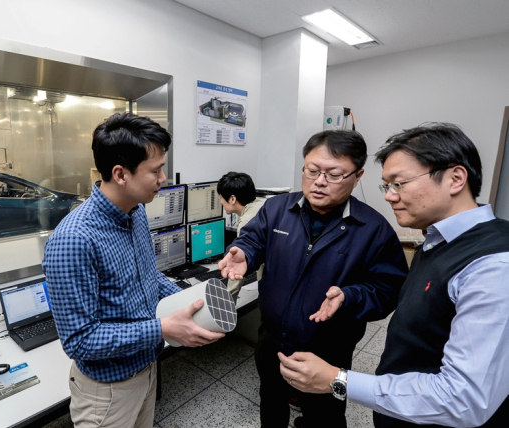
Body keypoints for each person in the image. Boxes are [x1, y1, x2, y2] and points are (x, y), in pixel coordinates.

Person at [278, 122, 509, 427]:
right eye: (386, 185)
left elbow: (463, 399)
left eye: (399, 183)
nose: (389, 196)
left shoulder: (493, 266)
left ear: (455, 178)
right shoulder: (438, 239)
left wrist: (337, 380)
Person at [42, 113, 224, 428]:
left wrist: (194, 301)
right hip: (108, 391)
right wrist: (164, 328)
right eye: (155, 170)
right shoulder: (73, 240)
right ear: (120, 174)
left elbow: (147, 277)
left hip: (147, 368)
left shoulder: (136, 212)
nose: (164, 178)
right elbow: (81, 341)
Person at [218, 130, 408, 428]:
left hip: (328, 350)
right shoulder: (277, 209)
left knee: (326, 417)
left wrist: (351, 296)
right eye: (312, 170)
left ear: (357, 176)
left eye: (334, 174)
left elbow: (387, 290)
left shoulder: (373, 229)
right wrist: (242, 251)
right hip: (272, 341)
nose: (319, 181)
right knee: (271, 403)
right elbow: (254, 239)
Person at [217, 171, 266, 300]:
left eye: (221, 197)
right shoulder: (263, 205)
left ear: (232, 199)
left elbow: (238, 265)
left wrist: (226, 303)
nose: (221, 201)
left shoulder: (248, 221)